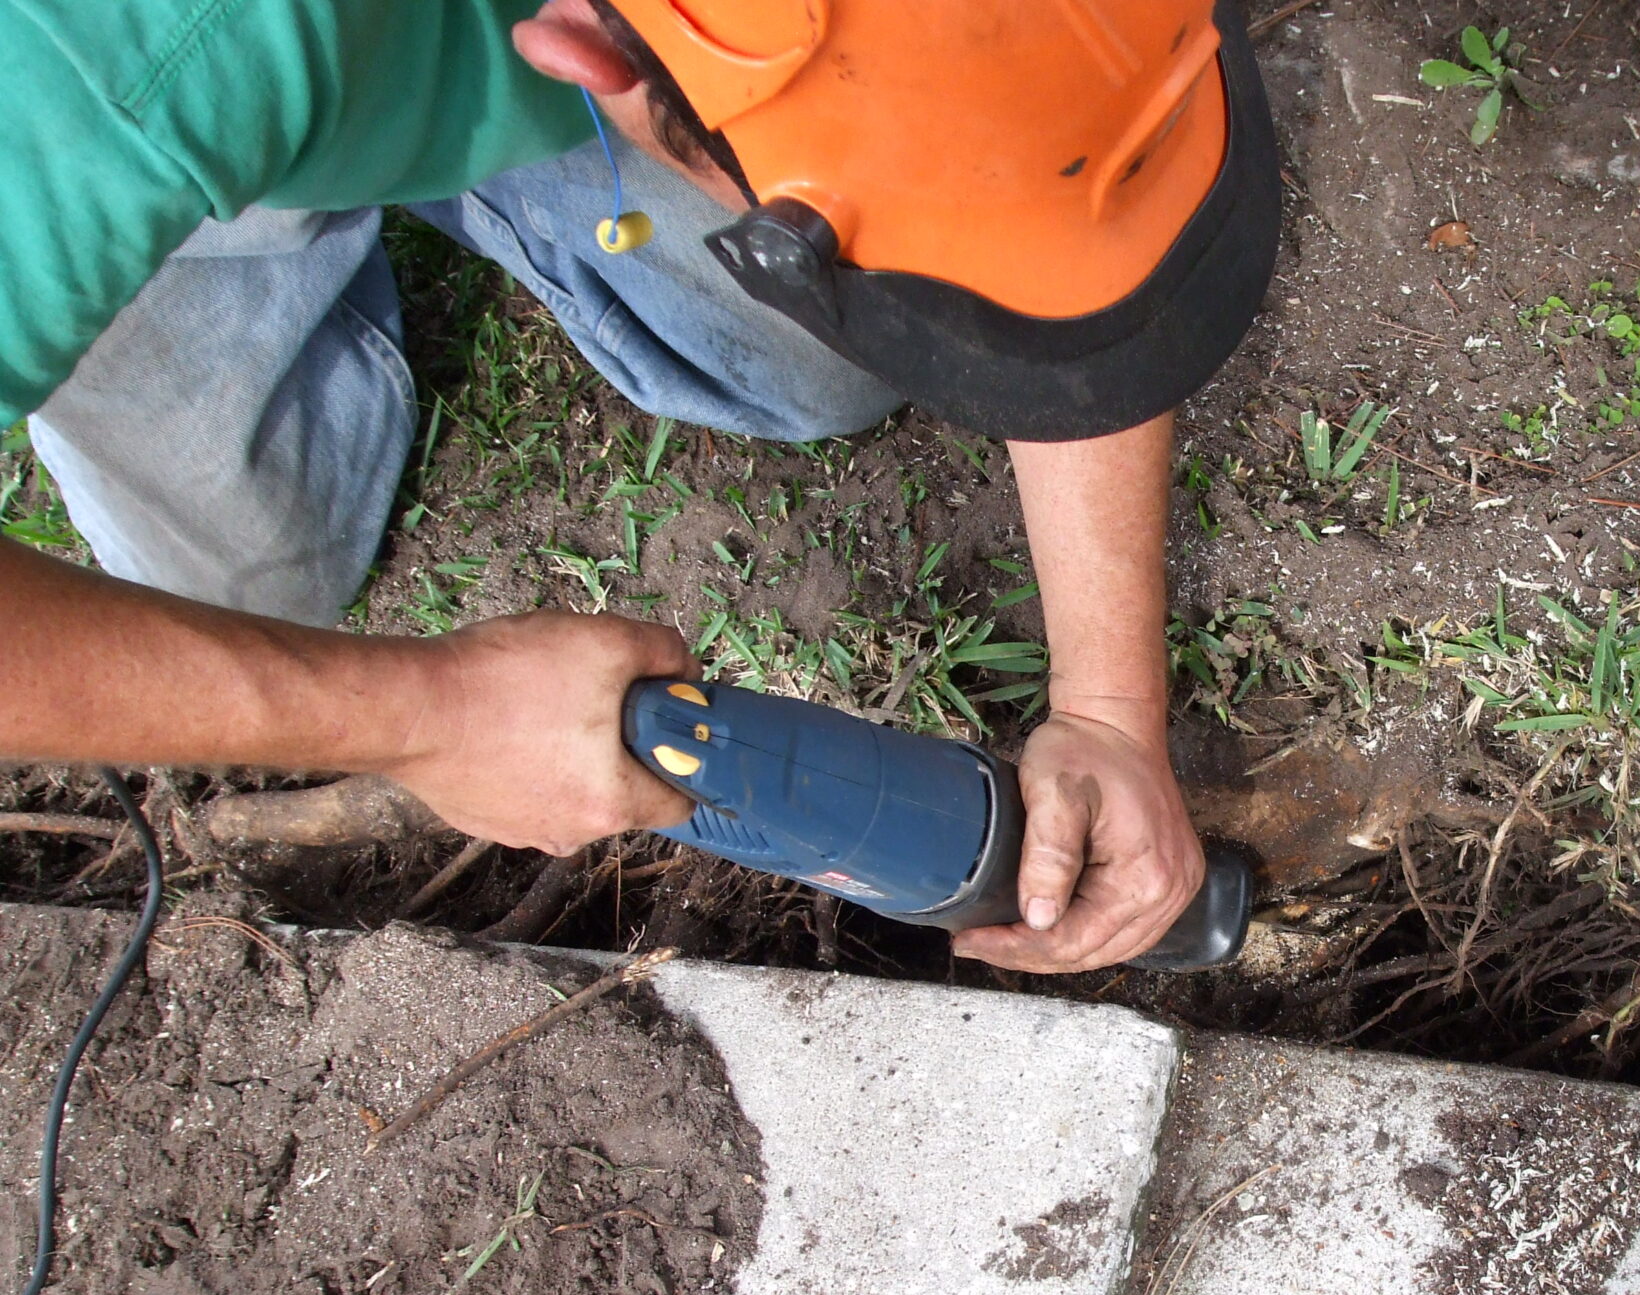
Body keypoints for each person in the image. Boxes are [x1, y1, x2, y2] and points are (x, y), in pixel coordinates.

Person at [0, 0, 1275, 971]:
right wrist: (429, 713)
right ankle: (250, 216)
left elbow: (1053, 190)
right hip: (154, 117)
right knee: (248, 574)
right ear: (589, 52)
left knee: (823, 365)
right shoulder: (87, 76)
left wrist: (1110, 704)